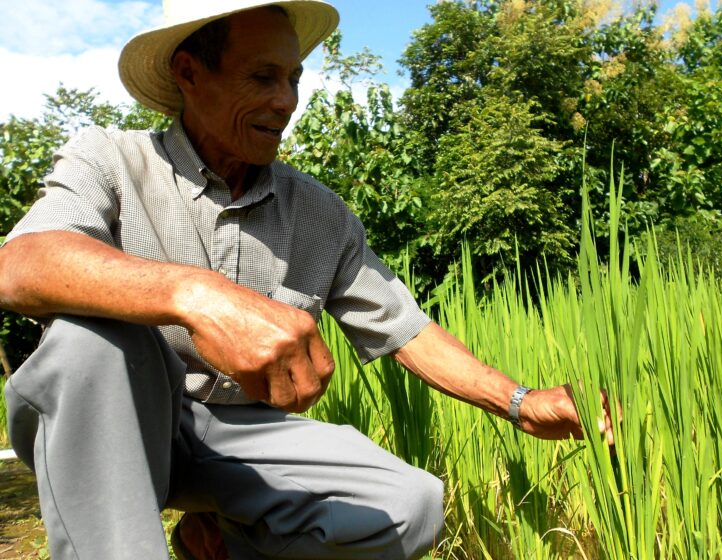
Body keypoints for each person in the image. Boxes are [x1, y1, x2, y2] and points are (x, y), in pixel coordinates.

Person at [0, 1, 614, 558]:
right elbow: (20, 264)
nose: (287, 100)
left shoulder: (318, 212)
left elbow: (403, 327)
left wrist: (519, 401)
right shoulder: (109, 156)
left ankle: (222, 538)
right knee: (91, 341)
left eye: (293, 78)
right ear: (189, 73)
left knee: (408, 507)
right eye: (262, 77)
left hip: (236, 435)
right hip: (123, 419)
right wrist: (196, 296)